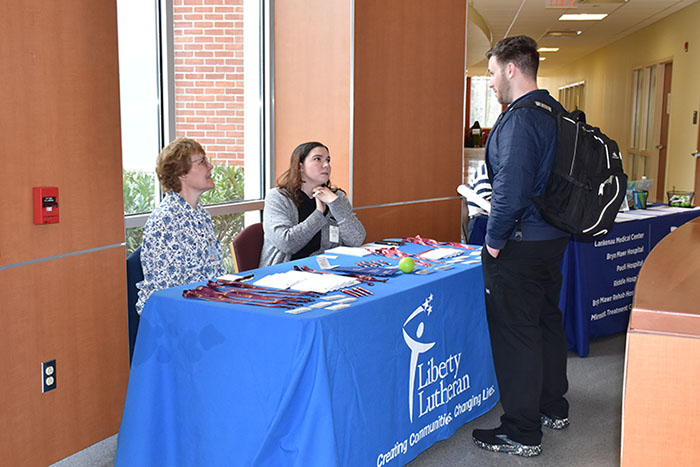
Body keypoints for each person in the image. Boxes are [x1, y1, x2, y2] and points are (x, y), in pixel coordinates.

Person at [471, 35, 571, 457]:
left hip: (520, 243)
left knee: (517, 334)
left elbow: (510, 191)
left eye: (492, 72)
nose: (491, 82)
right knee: (547, 322)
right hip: (553, 239)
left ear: (511, 69)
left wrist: (493, 243)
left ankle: (522, 431)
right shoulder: (557, 113)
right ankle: (553, 407)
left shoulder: (518, 120)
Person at [136, 137, 227, 314]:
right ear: (182, 173)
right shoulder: (165, 221)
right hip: (176, 318)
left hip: (205, 307)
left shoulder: (201, 214)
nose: (210, 166)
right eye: (202, 162)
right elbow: (168, 295)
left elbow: (214, 271)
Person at [260, 141, 366, 267]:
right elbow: (287, 244)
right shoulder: (279, 197)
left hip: (326, 269)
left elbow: (356, 240)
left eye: (328, 160)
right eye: (318, 159)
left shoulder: (336, 197)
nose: (326, 165)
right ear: (300, 166)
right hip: (284, 273)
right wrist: (319, 213)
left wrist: (335, 204)